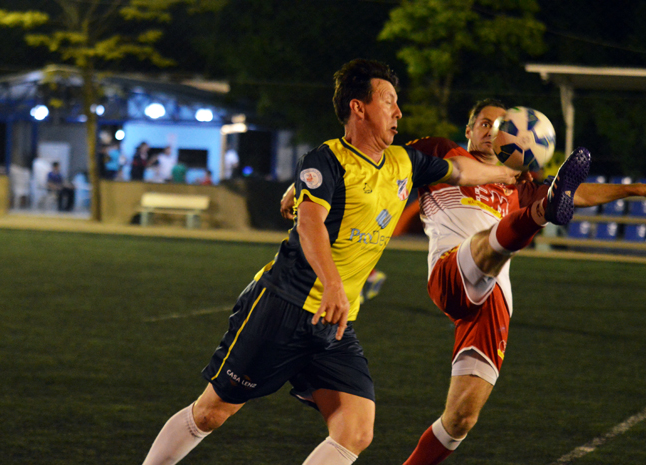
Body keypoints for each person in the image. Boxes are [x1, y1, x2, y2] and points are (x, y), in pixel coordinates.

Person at [141, 59, 520, 465]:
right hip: (282, 308)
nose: (399, 111)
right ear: (359, 107)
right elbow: (310, 226)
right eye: (389, 101)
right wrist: (333, 284)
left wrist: (511, 173)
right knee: (212, 412)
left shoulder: (403, 163)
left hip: (334, 325)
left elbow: (463, 169)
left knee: (356, 430)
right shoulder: (326, 160)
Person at [400, 99, 646, 465]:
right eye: (483, 124)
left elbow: (576, 195)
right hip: (452, 271)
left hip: (495, 303)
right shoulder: (441, 152)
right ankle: (539, 214)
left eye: (498, 125)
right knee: (489, 244)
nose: (490, 131)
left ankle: (543, 209)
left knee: (460, 420)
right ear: (468, 130)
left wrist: (638, 190)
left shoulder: (520, 181)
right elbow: (391, 166)